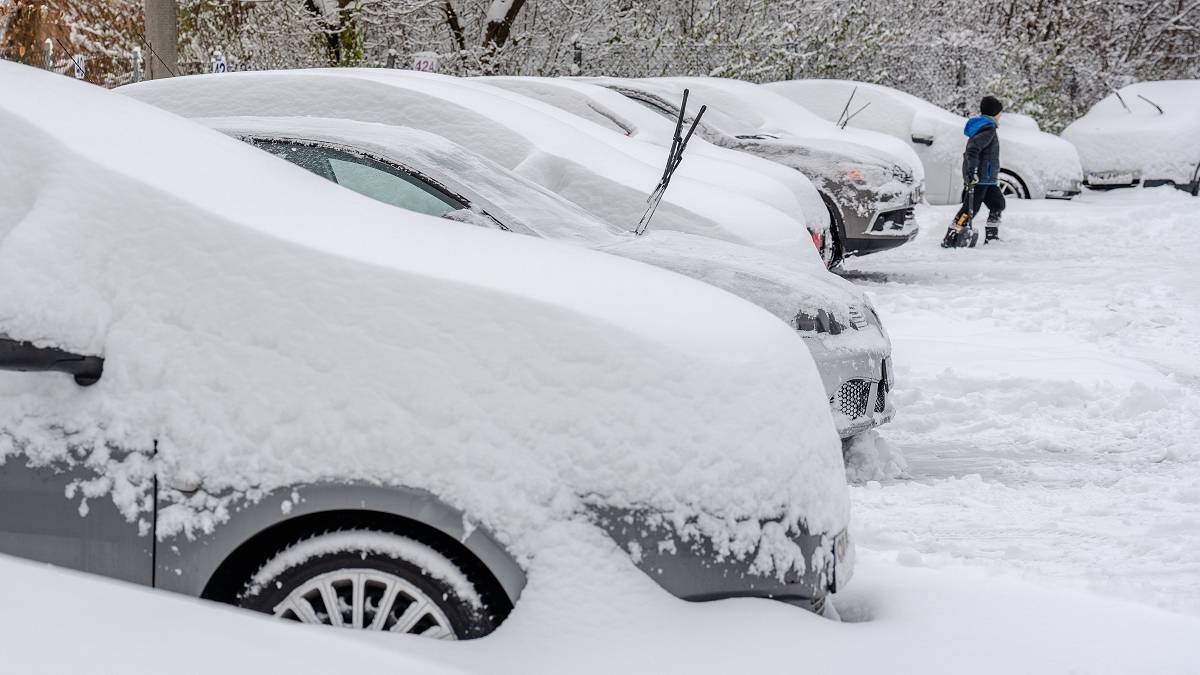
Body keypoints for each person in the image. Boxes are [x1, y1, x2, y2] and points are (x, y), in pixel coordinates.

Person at [953, 95, 1005, 242]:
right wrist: (972, 171)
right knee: (969, 210)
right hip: (980, 177)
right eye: (1000, 112)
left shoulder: (987, 127)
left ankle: (992, 237)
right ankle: (954, 234)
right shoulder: (988, 128)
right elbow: (972, 150)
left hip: (987, 179)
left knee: (998, 204)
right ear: (994, 112)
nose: (1001, 115)